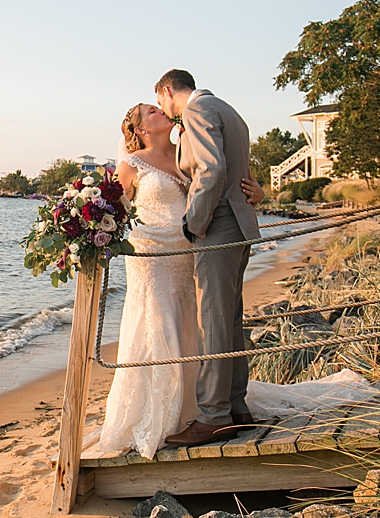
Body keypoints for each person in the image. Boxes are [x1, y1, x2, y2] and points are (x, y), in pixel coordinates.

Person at [94, 102, 264, 458]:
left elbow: (219, 179)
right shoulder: (132, 163)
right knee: (156, 323)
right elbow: (112, 210)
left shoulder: (188, 147)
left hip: (190, 249)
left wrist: (257, 193)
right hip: (151, 255)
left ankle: (198, 408)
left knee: (194, 325)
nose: (161, 112)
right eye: (152, 112)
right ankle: (158, 413)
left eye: (159, 106)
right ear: (141, 130)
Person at [155, 68, 261, 447]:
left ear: (168, 91)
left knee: (213, 322)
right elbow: (236, 170)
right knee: (229, 318)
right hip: (240, 224)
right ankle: (236, 407)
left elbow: (211, 169)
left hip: (218, 224)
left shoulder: (197, 112)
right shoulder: (228, 109)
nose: (164, 111)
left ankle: (213, 415)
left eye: (160, 103)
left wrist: (193, 223)